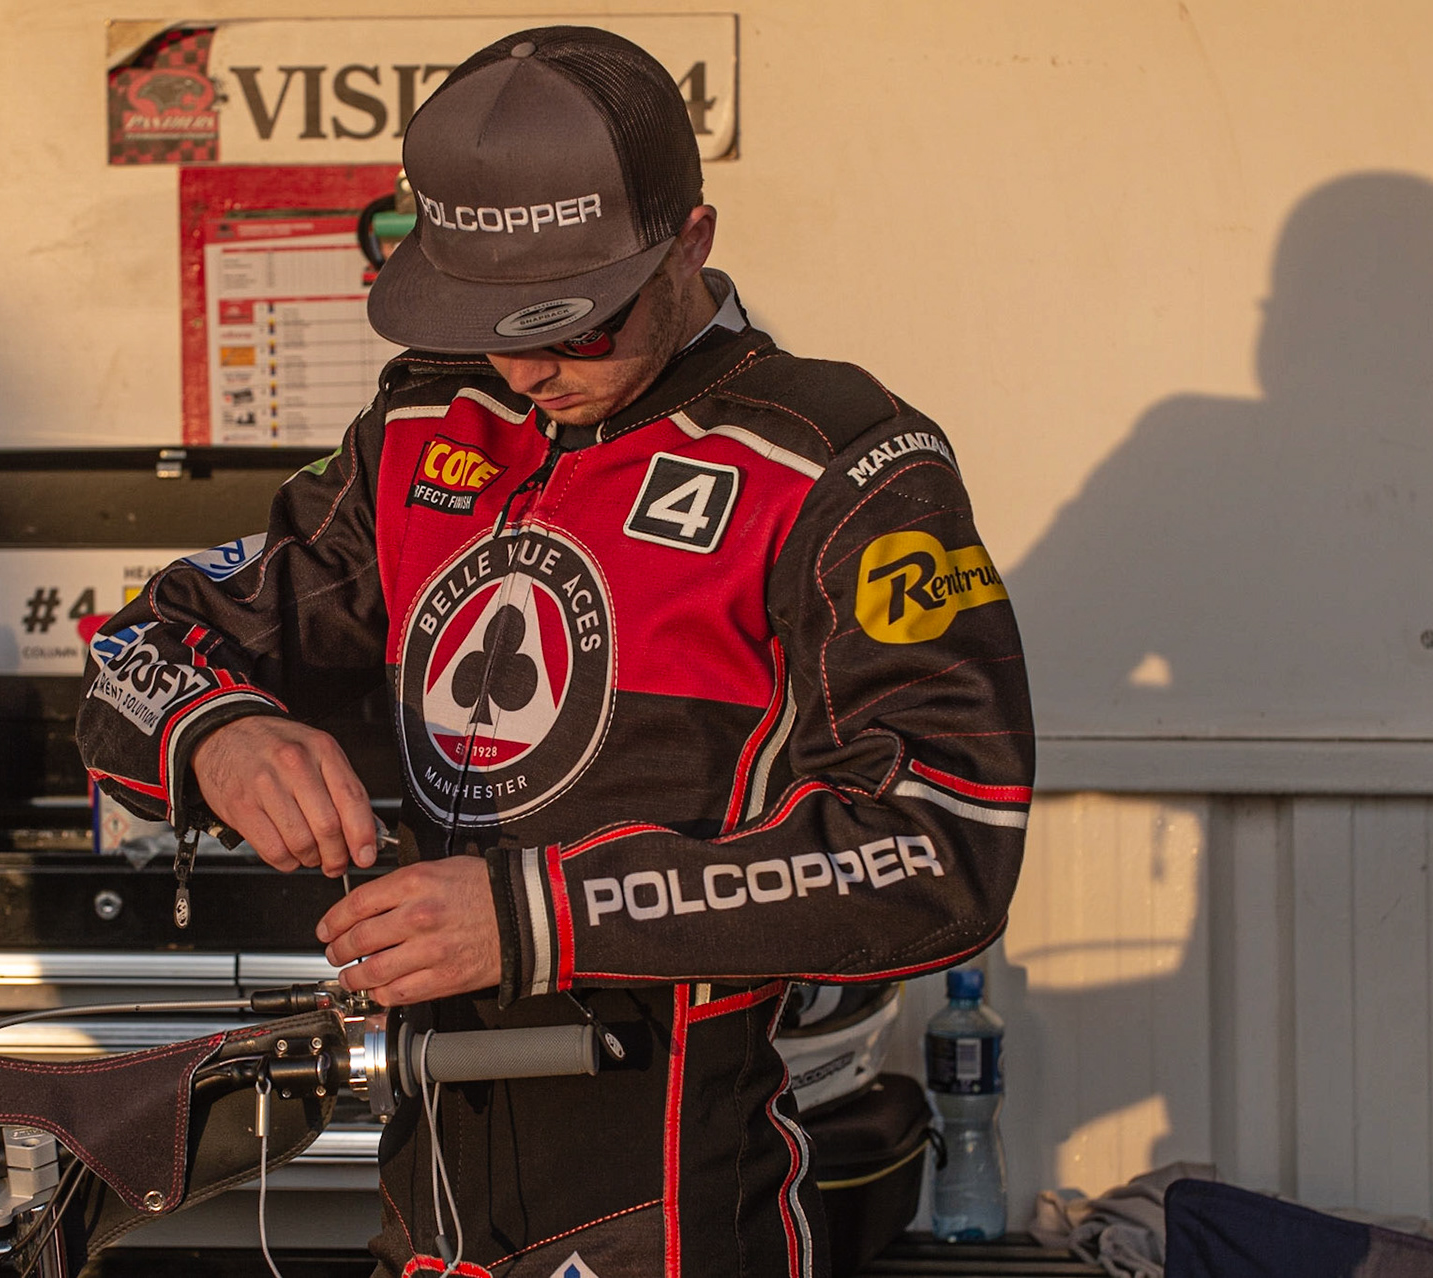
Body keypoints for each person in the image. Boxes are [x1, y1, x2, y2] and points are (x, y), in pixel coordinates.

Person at [78, 25, 1032, 1278]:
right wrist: (219, 732)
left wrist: (538, 917)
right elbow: (139, 645)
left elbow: (945, 846)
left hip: (683, 1197)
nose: (527, 369)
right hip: (430, 1194)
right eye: (488, 323)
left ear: (691, 240)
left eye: (576, 325)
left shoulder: (846, 460)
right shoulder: (428, 419)